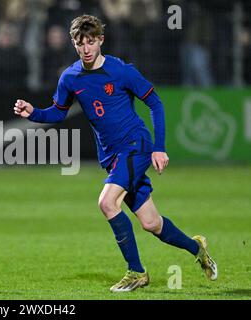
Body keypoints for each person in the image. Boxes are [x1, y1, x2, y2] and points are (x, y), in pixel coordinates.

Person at [13, 14, 217, 292]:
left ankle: (136, 272)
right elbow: (58, 113)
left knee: (107, 203)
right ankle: (197, 248)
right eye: (79, 43)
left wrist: (159, 147)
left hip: (136, 145)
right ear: (73, 44)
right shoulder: (70, 77)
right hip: (112, 157)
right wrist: (33, 113)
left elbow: (155, 104)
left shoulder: (121, 71)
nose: (85, 48)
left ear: (101, 41)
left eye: (90, 42)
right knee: (151, 223)